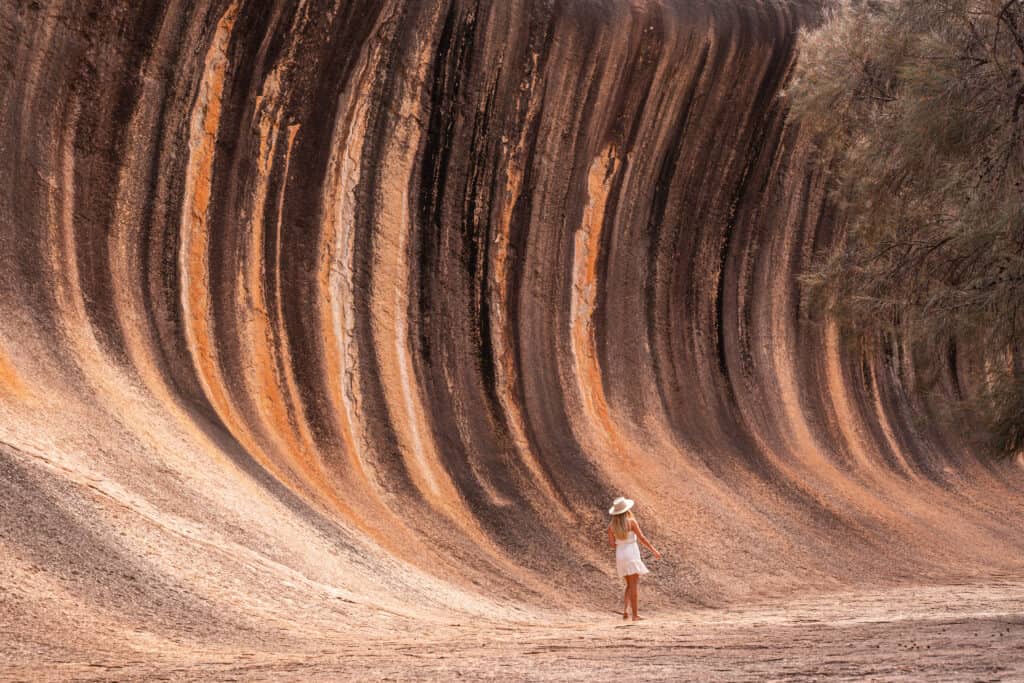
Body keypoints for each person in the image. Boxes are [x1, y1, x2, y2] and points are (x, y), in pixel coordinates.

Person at [606, 496, 661, 621]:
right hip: (631, 552)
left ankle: (625, 610)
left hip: (620, 554)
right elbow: (642, 538)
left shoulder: (612, 526)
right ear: (626, 509)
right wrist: (654, 550)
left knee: (629, 584)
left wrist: (621, 542)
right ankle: (635, 615)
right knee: (634, 585)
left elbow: (612, 544)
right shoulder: (631, 522)